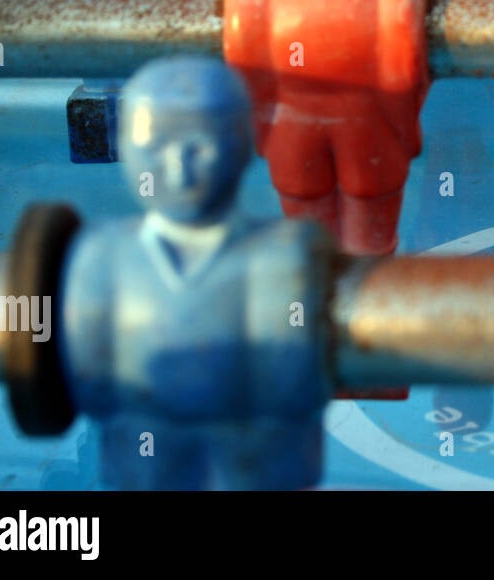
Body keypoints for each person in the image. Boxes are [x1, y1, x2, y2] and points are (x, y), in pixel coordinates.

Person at [61, 57, 333, 489]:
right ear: (125, 146)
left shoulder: (286, 258)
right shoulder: (100, 259)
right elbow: (90, 378)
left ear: (244, 143)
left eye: (200, 147)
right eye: (155, 147)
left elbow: (293, 381)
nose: (178, 170)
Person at [224, 0, 431, 255]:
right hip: (371, 137)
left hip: (292, 137)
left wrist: (268, 134)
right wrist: (406, 133)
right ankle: (367, 310)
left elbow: (248, 76)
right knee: (371, 250)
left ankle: (314, 313)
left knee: (309, 254)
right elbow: (404, 75)